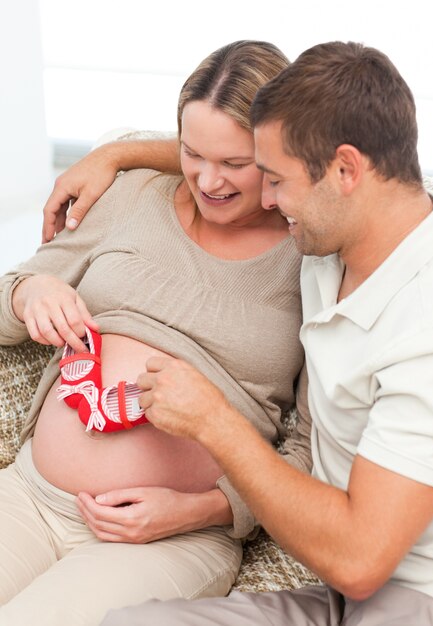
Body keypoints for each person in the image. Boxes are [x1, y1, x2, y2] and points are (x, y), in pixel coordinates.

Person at [96, 41, 433, 624]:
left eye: (276, 182)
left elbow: (360, 557)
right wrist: (113, 157)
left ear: (344, 170)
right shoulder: (349, 223)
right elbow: (223, 151)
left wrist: (214, 422)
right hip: (343, 594)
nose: (263, 200)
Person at [0, 40, 313, 626]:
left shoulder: (312, 260)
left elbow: (315, 450)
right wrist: (28, 292)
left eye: (234, 164)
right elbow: (8, 301)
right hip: (30, 497)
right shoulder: (129, 194)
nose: (208, 180)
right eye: (191, 154)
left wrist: (203, 510)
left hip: (169, 541)